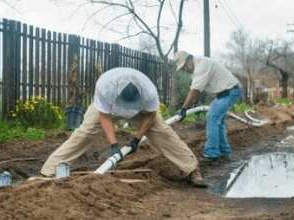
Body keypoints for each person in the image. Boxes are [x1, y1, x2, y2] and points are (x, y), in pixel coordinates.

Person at [40, 67, 207, 187]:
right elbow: (104, 116)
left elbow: (150, 116)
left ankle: (192, 169)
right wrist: (114, 145)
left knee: (162, 133)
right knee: (85, 132)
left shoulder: (149, 92)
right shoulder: (105, 86)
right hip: (108, 108)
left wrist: (136, 138)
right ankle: (49, 170)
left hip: (141, 112)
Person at [174, 51, 242, 161]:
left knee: (212, 118)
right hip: (225, 93)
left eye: (184, 66)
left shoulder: (201, 66)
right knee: (218, 121)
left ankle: (212, 153)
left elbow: (195, 90)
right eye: (182, 69)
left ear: (189, 59)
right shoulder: (197, 67)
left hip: (230, 91)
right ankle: (224, 150)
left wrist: (183, 109)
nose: (185, 70)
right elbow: (197, 89)